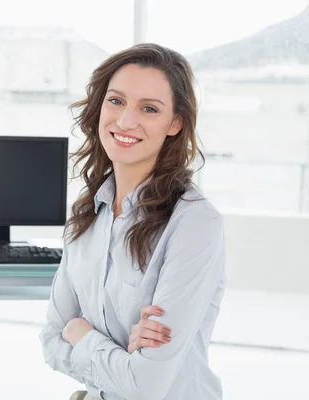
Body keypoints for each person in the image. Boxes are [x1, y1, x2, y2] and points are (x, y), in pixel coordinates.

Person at [39, 43, 226, 400]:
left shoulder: (195, 223)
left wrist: (82, 334)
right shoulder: (86, 215)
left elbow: (146, 386)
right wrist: (122, 356)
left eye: (149, 108)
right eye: (116, 101)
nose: (125, 121)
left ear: (176, 123)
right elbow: (50, 341)